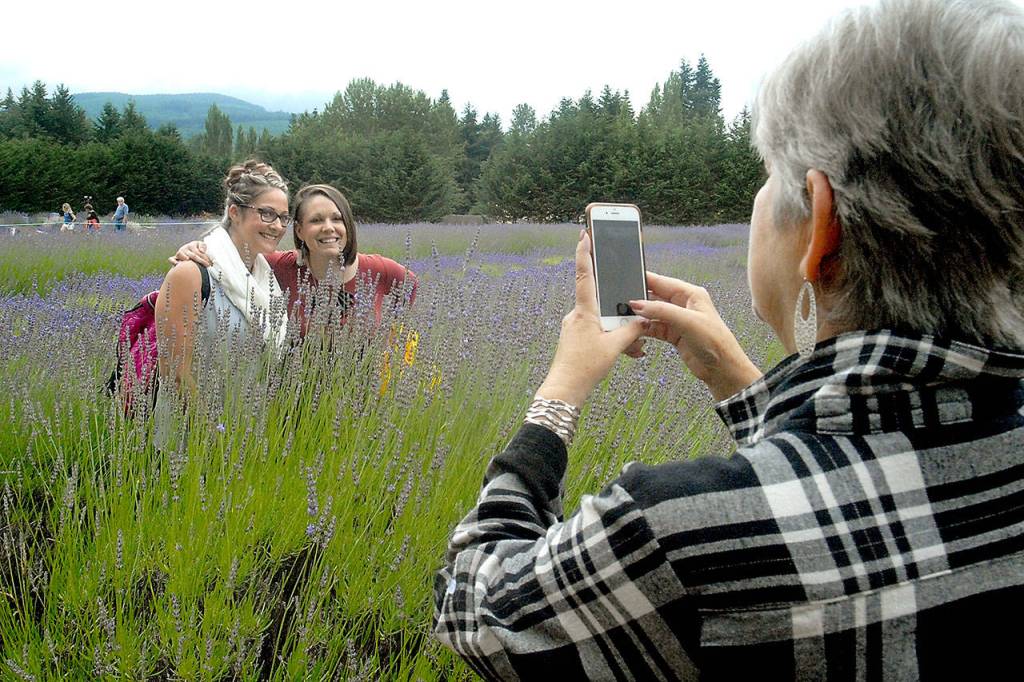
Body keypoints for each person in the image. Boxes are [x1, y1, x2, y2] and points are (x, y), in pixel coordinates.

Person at [433, 0, 1024, 679]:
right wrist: (742, 386)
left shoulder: (683, 533)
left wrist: (560, 394)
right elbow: (845, 477)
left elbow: (476, 613)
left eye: (767, 173)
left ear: (820, 228)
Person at [154, 160, 290, 442]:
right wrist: (216, 437)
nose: (277, 225)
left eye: (283, 217)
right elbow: (175, 373)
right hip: (188, 446)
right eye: (266, 214)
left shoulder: (267, 279)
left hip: (246, 440)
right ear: (234, 212)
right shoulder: (191, 272)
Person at [171, 183, 417, 336]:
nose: (329, 228)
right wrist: (198, 248)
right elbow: (232, 254)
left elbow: (412, 289)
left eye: (337, 219)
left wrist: (392, 335)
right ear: (299, 231)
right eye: (316, 220)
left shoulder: (379, 271)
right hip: (291, 412)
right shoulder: (277, 268)